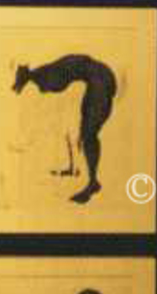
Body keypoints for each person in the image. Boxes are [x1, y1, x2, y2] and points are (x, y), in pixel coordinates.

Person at [13, 54, 117, 204]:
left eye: (41, 88)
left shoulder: (53, 74)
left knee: (88, 135)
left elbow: (55, 85)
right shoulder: (56, 70)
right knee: (87, 133)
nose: (42, 91)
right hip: (101, 80)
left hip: (102, 82)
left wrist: (30, 81)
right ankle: (92, 181)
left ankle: (93, 183)